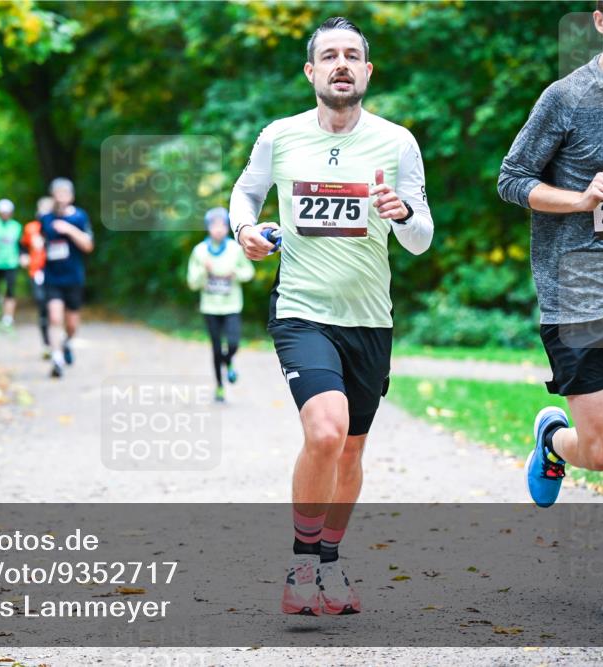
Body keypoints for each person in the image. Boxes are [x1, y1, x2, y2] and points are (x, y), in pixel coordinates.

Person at [229, 16, 433, 616]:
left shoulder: (397, 142)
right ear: (310, 71)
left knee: (350, 451)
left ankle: (330, 562)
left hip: (369, 320)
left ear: (367, 71)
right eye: (329, 55)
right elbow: (245, 193)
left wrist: (401, 213)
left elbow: (421, 239)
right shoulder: (280, 136)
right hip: (302, 311)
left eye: (351, 55)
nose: (340, 64)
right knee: (326, 431)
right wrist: (244, 229)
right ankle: (301, 564)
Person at [497, 0, 603, 623]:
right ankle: (554, 440)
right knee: (601, 451)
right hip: (578, 294)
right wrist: (580, 199)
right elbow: (512, 179)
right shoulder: (567, 98)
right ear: (600, 21)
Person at [186, 207, 255, 403]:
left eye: (223, 225)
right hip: (210, 307)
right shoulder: (199, 251)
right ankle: (219, 387)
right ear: (208, 228)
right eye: (214, 226)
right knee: (216, 349)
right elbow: (192, 282)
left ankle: (229, 361)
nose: (218, 230)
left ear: (227, 228)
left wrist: (236, 274)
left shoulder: (235, 249)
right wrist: (204, 271)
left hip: (232, 306)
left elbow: (249, 272)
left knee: (233, 344)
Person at [40, 178, 94, 379]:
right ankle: (57, 359)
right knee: (54, 318)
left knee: (72, 325)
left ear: (71, 196)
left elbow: (88, 246)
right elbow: (38, 242)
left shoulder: (80, 217)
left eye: (65, 193)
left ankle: (66, 342)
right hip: (52, 277)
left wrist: (69, 230)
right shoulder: (45, 219)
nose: (61, 197)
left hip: (73, 277)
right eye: (58, 193)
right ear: (52, 195)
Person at [21, 196, 54, 358]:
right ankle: (47, 343)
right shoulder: (31, 228)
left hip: (55, 272)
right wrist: (23, 256)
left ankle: (59, 341)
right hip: (37, 271)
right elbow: (22, 245)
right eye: (42, 209)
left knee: (55, 307)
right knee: (42, 304)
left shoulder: (57, 227)